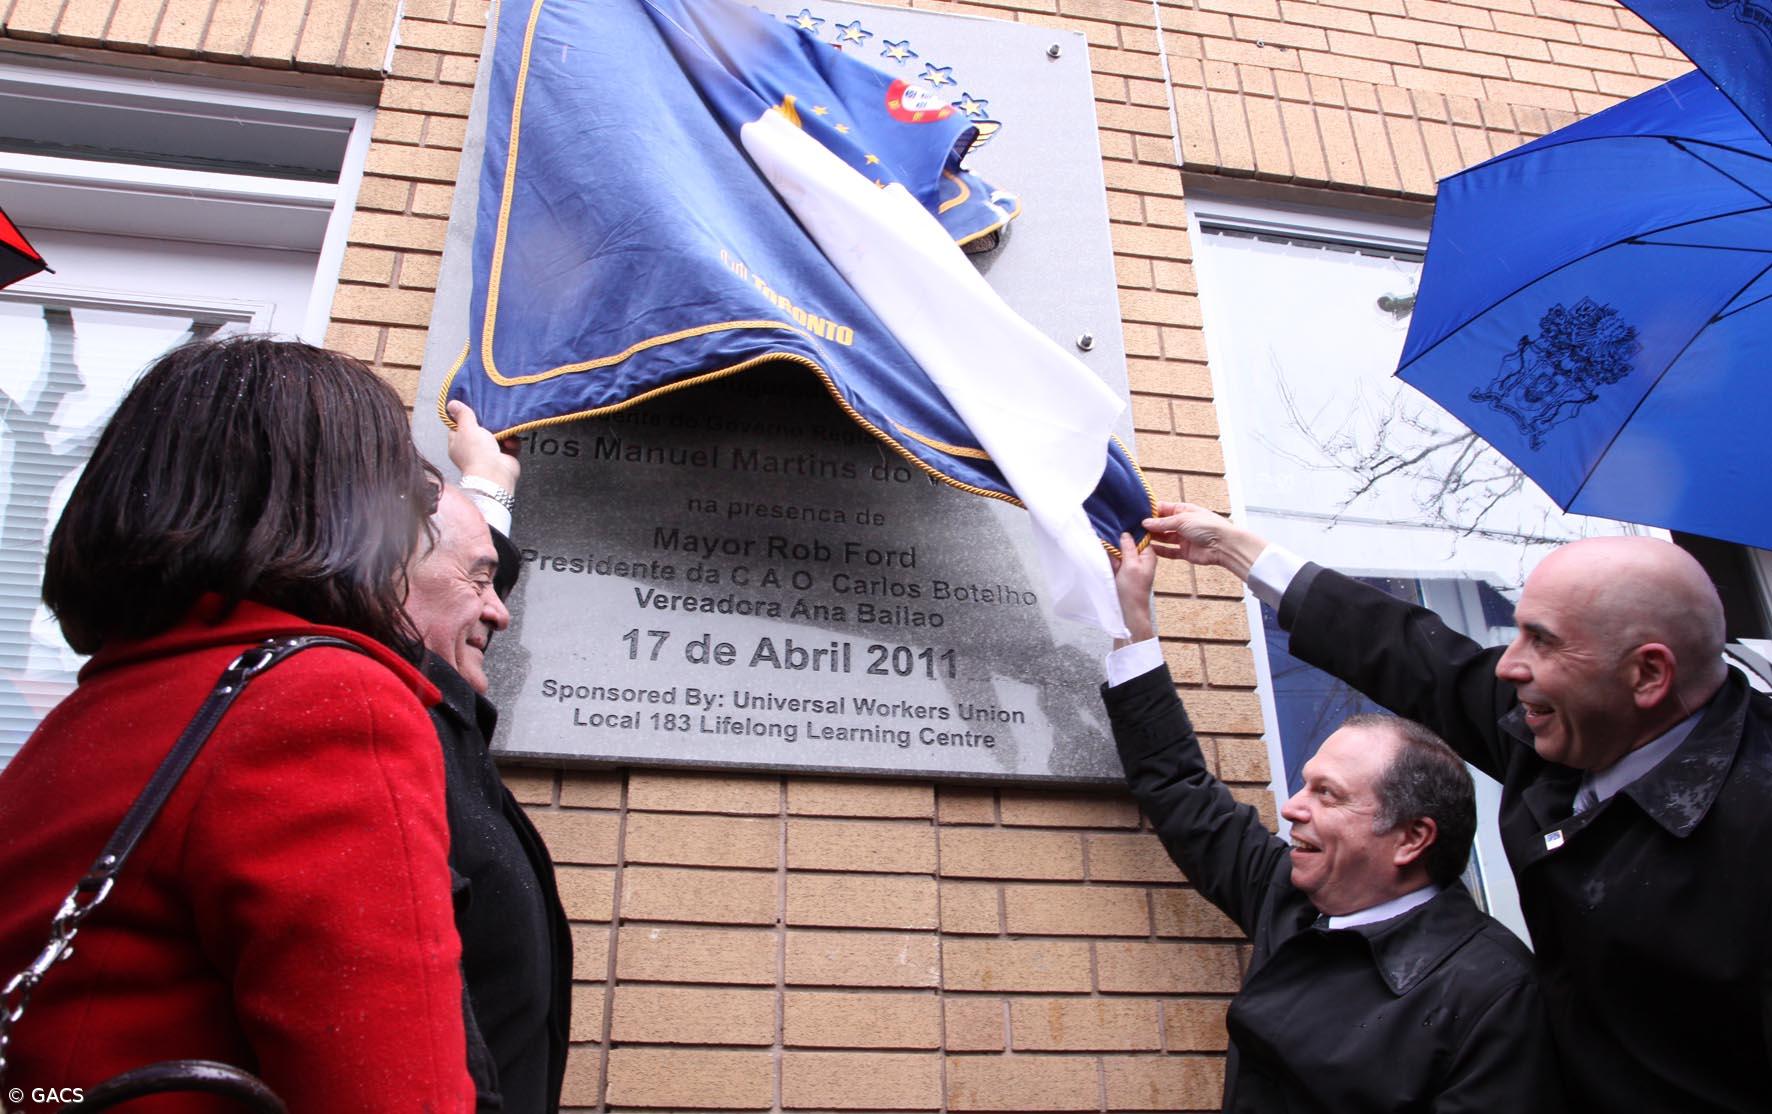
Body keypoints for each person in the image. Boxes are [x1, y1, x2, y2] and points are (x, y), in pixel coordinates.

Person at [1142, 501, 1772, 1113]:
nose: (1509, 666)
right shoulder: (1559, 726)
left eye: (1542, 641)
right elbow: (1410, 654)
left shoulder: (1750, 835)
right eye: (1516, 631)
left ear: (1647, 675)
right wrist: (1227, 546)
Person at [0, 337, 475, 1111]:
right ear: (339, 506)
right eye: (411, 497)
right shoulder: (321, 700)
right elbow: (395, 1091)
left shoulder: (100, 708)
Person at [1103, 536, 1563, 1112]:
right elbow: (1179, 787)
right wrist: (1132, 626)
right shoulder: (1290, 897)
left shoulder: (1494, 993)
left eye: (1328, 795)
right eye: (1304, 785)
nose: (1294, 808)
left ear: (1412, 839)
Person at [409, 401, 570, 1113]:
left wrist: (487, 485)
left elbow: (438, 575)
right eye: (481, 581)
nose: (500, 608)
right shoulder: (366, 729)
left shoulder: (425, 713)